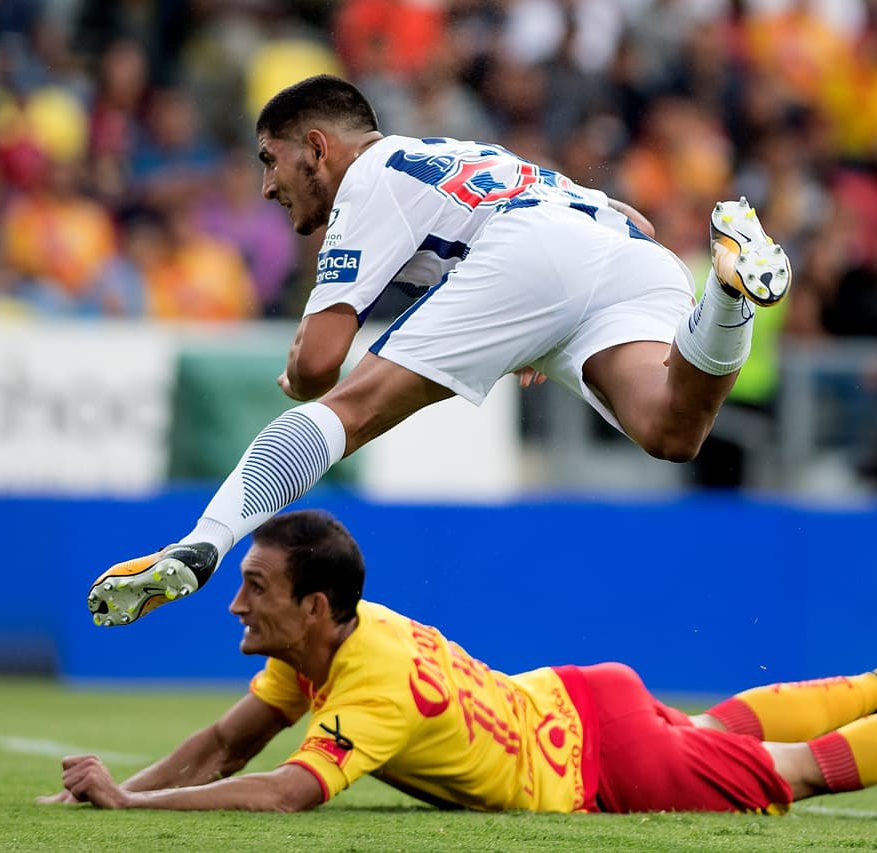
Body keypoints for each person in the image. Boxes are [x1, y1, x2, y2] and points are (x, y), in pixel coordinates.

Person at [85, 74, 792, 626]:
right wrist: (530, 324)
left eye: (271, 160)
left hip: (533, 249)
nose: (267, 184)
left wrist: (297, 376)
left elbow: (319, 361)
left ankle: (203, 540)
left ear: (319, 149)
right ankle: (727, 290)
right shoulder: (459, 153)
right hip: (627, 249)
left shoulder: (368, 176)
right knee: (673, 426)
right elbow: (623, 216)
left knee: (347, 409)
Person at [47, 510, 877, 814]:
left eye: (252, 589)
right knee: (724, 730)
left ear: (312, 606)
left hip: (601, 767)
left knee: (782, 773)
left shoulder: (371, 687)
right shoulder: (345, 630)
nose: (234, 602)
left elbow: (280, 793)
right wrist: (111, 795)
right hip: (577, 693)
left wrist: (132, 809)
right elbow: (227, 741)